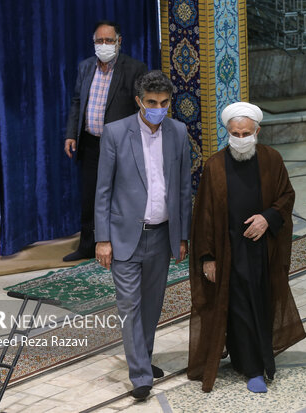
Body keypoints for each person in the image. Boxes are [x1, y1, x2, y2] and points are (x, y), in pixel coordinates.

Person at [187, 102, 306, 393]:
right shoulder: (215, 166)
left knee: (261, 305)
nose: (241, 139)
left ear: (257, 131)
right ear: (227, 132)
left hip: (263, 251)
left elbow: (286, 197)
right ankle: (252, 368)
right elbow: (203, 216)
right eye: (235, 133)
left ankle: (257, 360)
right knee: (238, 308)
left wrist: (268, 218)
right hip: (229, 252)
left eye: (246, 133)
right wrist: (207, 258)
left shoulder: (271, 160)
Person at [94, 70, 192, 401]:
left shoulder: (178, 132)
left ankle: (143, 361)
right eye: (152, 102)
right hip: (123, 235)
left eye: (164, 103)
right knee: (129, 306)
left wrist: (182, 235)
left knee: (151, 307)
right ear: (139, 101)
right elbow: (103, 190)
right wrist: (102, 238)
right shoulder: (115, 133)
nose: (158, 108)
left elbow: (182, 190)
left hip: (162, 235)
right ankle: (140, 375)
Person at [62, 20, 147, 262]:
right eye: (99, 41)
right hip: (90, 143)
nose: (104, 45)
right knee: (90, 197)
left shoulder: (134, 68)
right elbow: (78, 102)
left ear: (119, 42)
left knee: (123, 197)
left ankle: (125, 246)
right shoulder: (86, 67)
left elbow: (141, 108)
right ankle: (87, 247)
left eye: (109, 40)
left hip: (121, 145)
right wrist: (71, 134)